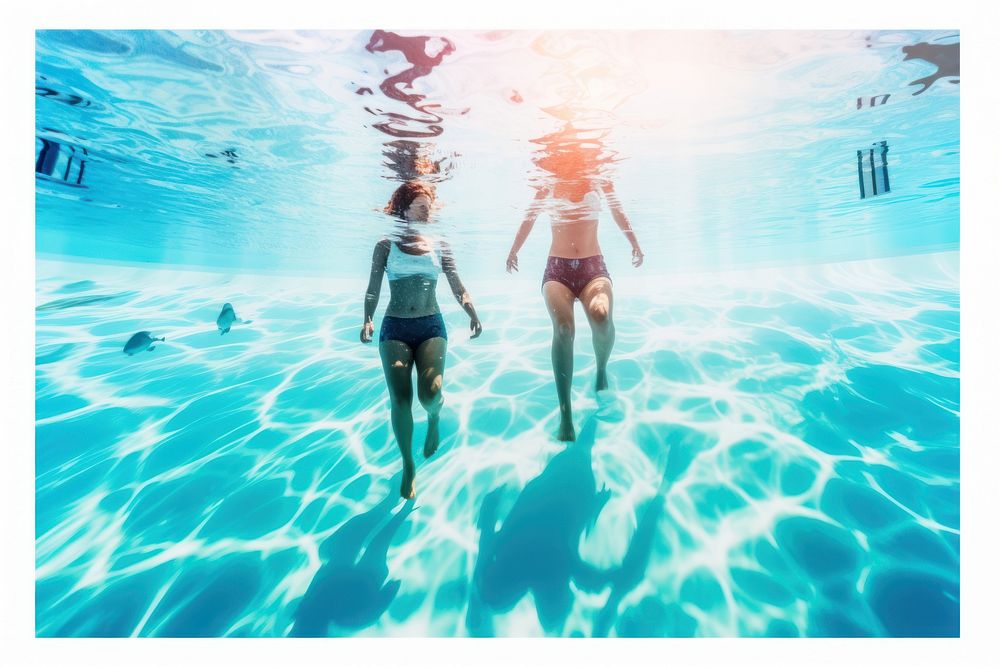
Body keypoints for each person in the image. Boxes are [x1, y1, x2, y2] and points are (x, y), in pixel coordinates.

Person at [362, 181, 482, 499]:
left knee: (430, 395)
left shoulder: (440, 244)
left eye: (429, 207)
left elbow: (457, 283)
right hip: (394, 329)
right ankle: (408, 465)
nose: (426, 211)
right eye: (420, 206)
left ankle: (434, 416)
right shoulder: (385, 245)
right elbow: (374, 287)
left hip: (431, 326)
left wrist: (472, 311)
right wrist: (368, 318)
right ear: (403, 210)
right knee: (400, 400)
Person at [506, 172, 643, 441]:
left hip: (593, 266)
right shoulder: (549, 180)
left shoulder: (600, 176)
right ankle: (566, 415)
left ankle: (601, 368)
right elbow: (530, 216)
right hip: (557, 269)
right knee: (564, 329)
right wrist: (514, 250)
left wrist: (635, 244)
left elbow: (617, 210)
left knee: (601, 316)